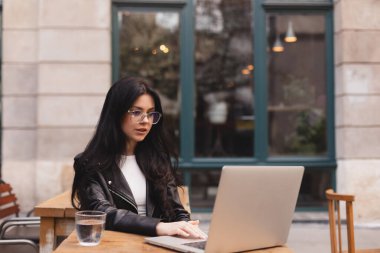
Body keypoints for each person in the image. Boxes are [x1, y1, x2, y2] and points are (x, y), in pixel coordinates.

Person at [71, 77, 206, 239]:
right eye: (136, 112)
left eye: (150, 114)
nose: (145, 121)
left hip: (155, 246)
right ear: (116, 114)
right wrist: (158, 227)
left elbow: (176, 210)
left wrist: (186, 228)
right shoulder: (89, 163)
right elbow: (101, 212)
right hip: (115, 246)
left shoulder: (157, 159)